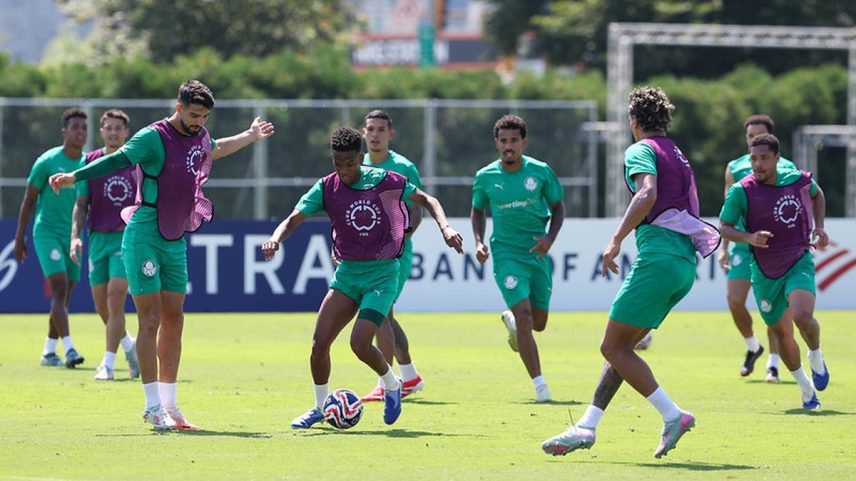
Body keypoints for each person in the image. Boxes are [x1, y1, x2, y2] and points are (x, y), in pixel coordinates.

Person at [49, 80, 275, 430]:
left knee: (175, 319)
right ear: (178, 107)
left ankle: (171, 406)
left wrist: (250, 135)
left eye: (204, 116)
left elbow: (215, 149)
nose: (199, 122)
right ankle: (152, 406)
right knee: (150, 319)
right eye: (194, 115)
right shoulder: (152, 137)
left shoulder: (199, 136)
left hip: (175, 237)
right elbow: (115, 161)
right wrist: (74, 176)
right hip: (143, 234)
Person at [541, 86, 720, 458]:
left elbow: (647, 193)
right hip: (684, 264)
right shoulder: (677, 153)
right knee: (622, 350)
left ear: (634, 121)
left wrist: (616, 238)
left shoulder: (641, 149)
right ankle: (587, 425)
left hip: (659, 257)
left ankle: (673, 415)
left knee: (611, 346)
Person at [263, 127, 463, 429]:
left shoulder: (384, 180)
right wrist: (275, 238)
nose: (343, 170)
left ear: (360, 158)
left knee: (359, 344)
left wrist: (446, 228)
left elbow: (428, 200)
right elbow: (293, 219)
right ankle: (320, 407)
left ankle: (392, 384)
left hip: (382, 275)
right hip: (348, 275)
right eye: (337, 163)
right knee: (319, 344)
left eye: (349, 163)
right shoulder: (326, 187)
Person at [719, 133, 829, 410]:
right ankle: (805, 388)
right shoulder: (741, 191)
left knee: (802, 316)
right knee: (781, 333)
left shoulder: (797, 179)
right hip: (764, 271)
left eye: (764, 158)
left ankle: (815, 354)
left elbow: (817, 195)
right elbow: (724, 226)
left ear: (777, 158)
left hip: (798, 259)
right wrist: (749, 237)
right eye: (754, 158)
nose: (758, 164)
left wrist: (820, 226)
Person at [471, 114, 565, 403]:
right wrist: (478, 241)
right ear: (496, 143)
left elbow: (558, 207)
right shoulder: (485, 176)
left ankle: (513, 322)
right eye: (503, 141)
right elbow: (477, 211)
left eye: (514, 140)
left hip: (536, 254)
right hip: (506, 254)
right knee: (525, 317)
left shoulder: (540, 171)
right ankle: (540, 387)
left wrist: (550, 238)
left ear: (524, 142)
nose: (508, 146)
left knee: (538, 323)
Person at [721, 115, 797, 382]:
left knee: (773, 308)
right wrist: (724, 247)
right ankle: (753, 346)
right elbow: (727, 212)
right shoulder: (735, 167)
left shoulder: (787, 168)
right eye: (750, 135)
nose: (753, 139)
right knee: (734, 299)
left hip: (776, 247)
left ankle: (773, 364)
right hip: (745, 243)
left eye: (758, 135)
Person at [359, 110, 426, 402]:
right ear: (363, 133)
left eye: (381, 130)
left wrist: (399, 240)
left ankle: (386, 384)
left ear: (391, 134)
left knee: (380, 313)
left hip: (395, 254)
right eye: (370, 129)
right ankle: (409, 376)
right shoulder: (358, 165)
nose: (375, 135)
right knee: (385, 314)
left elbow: (417, 210)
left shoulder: (402, 167)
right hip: (366, 253)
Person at [14, 108, 88, 369]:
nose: (80, 132)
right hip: (46, 232)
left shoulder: (88, 164)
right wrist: (19, 237)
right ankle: (69, 349)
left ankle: (48, 351)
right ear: (64, 131)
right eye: (75, 127)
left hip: (73, 236)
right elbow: (29, 200)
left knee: (65, 295)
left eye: (84, 128)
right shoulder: (47, 161)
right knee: (59, 288)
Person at [70, 109, 140, 381]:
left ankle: (107, 365)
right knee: (102, 307)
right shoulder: (90, 161)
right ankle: (130, 347)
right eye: (108, 128)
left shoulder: (136, 161)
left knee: (115, 298)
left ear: (126, 133)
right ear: (101, 132)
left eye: (118, 128)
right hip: (97, 238)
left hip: (125, 238)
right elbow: (81, 204)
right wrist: (75, 236)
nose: (113, 133)